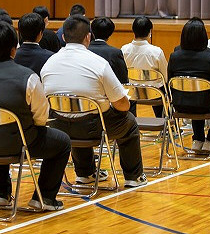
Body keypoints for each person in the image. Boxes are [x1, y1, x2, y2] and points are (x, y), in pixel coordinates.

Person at [0, 21, 70, 210]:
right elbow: (41, 118)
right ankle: (43, 198)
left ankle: (2, 194)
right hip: (17, 142)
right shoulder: (27, 77)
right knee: (62, 142)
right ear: (14, 49)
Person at [41, 15, 147, 188]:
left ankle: (84, 173)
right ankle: (133, 176)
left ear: (63, 37)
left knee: (74, 116)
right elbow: (122, 103)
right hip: (94, 128)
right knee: (129, 122)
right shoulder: (98, 64)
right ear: (88, 37)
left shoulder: (48, 64)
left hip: (59, 127)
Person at [167, 18, 210, 153]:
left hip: (180, 105)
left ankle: (198, 139)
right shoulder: (209, 57)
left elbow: (169, 82)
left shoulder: (174, 56)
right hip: (205, 104)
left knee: (194, 96)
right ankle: (209, 139)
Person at [121, 16, 168, 117]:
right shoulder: (156, 52)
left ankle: (132, 123)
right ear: (150, 32)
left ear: (133, 31)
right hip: (154, 93)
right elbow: (166, 75)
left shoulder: (124, 50)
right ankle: (163, 123)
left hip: (131, 92)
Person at [88, 17, 128, 85]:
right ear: (110, 33)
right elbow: (123, 81)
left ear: (92, 31)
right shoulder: (115, 53)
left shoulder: (83, 50)